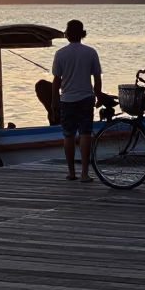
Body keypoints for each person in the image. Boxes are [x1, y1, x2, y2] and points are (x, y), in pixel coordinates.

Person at [51, 19, 103, 183]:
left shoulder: (60, 53)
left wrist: (54, 101)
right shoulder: (91, 52)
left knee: (68, 135)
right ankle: (85, 174)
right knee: (85, 134)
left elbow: (56, 80)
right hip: (86, 98)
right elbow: (97, 78)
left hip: (67, 99)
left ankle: (71, 172)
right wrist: (98, 94)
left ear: (67, 35)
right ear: (82, 34)